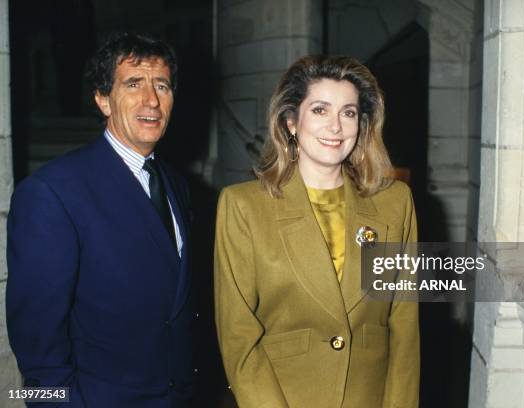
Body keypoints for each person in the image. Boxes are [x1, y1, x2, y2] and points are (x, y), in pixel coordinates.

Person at [214, 55, 419, 408]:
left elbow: (404, 326)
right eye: (321, 110)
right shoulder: (242, 206)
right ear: (291, 122)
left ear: (362, 124)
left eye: (349, 112)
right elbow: (238, 337)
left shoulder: (395, 202)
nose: (336, 127)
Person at [6, 33, 194, 407]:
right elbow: (37, 349)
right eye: (133, 84)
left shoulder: (178, 185)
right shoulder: (52, 192)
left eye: (162, 85)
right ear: (102, 99)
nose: (152, 100)